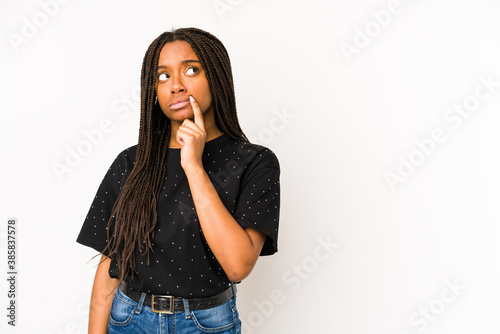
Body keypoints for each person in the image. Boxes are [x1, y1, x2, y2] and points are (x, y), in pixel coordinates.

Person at [76, 27, 281, 333]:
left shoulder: (255, 162)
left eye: (190, 70)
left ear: (216, 76)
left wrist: (194, 167)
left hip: (206, 324)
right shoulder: (131, 162)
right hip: (129, 319)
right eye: (162, 76)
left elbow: (238, 265)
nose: (176, 86)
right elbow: (110, 265)